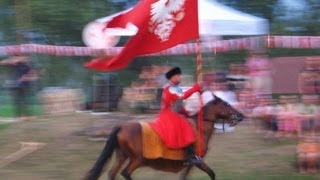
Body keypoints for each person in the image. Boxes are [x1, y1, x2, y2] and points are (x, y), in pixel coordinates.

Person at [149, 67, 203, 165]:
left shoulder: (175, 88)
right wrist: (195, 88)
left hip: (172, 112)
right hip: (168, 114)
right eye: (178, 75)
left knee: (187, 121)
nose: (180, 77)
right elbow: (182, 96)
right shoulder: (170, 89)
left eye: (180, 75)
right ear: (172, 78)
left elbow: (177, 104)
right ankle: (189, 157)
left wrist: (186, 112)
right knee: (186, 126)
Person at [0, 56, 38, 120]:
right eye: (23, 58)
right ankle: (18, 116)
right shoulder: (17, 64)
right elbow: (3, 62)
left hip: (25, 86)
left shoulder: (28, 67)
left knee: (25, 101)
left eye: (26, 58)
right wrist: (13, 60)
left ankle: (27, 115)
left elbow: (34, 77)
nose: (25, 59)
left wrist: (27, 78)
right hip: (16, 86)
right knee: (17, 101)